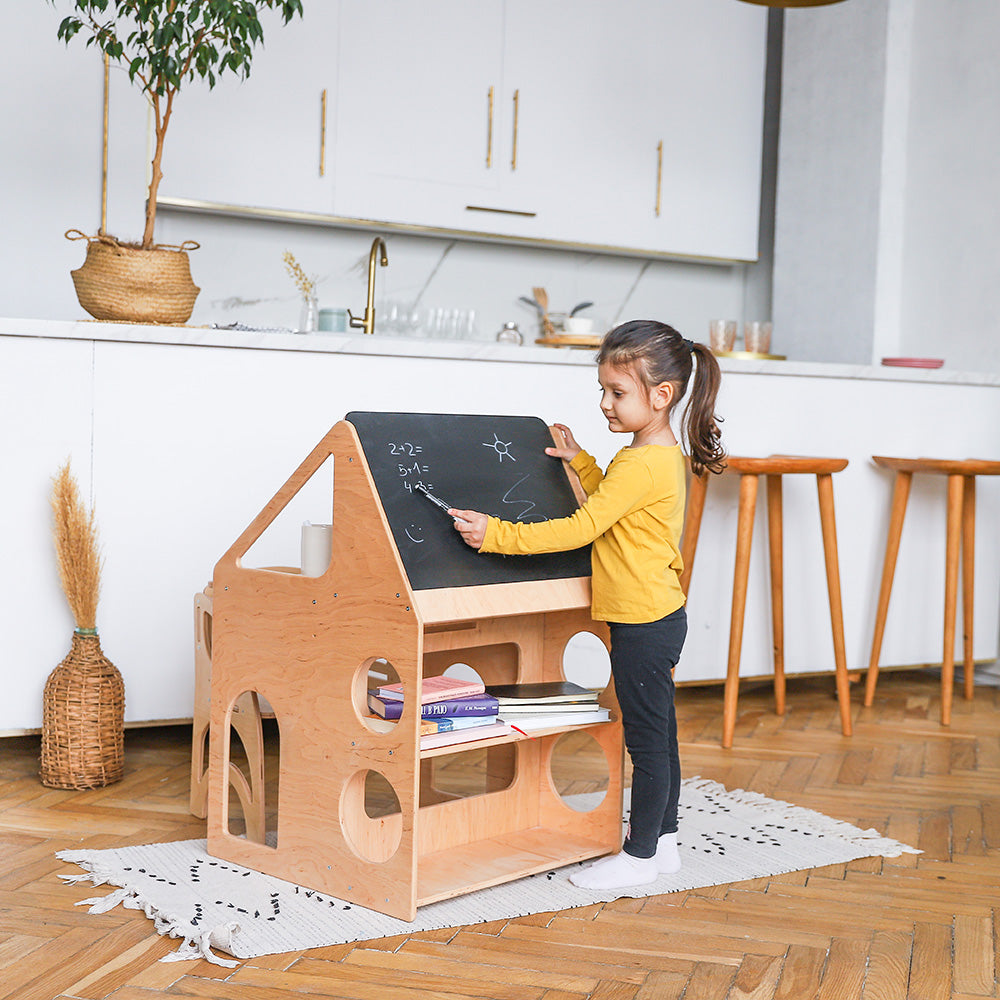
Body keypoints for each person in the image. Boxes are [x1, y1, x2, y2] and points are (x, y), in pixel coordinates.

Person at [449, 319, 726, 891]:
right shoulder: (656, 457)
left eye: (616, 393)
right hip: (659, 615)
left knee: (647, 742)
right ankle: (665, 841)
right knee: (661, 733)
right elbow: (614, 505)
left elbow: (583, 527)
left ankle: (641, 856)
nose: (604, 403)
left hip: (643, 623)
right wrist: (581, 461)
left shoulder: (639, 463)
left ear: (661, 395)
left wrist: (497, 535)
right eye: (602, 390)